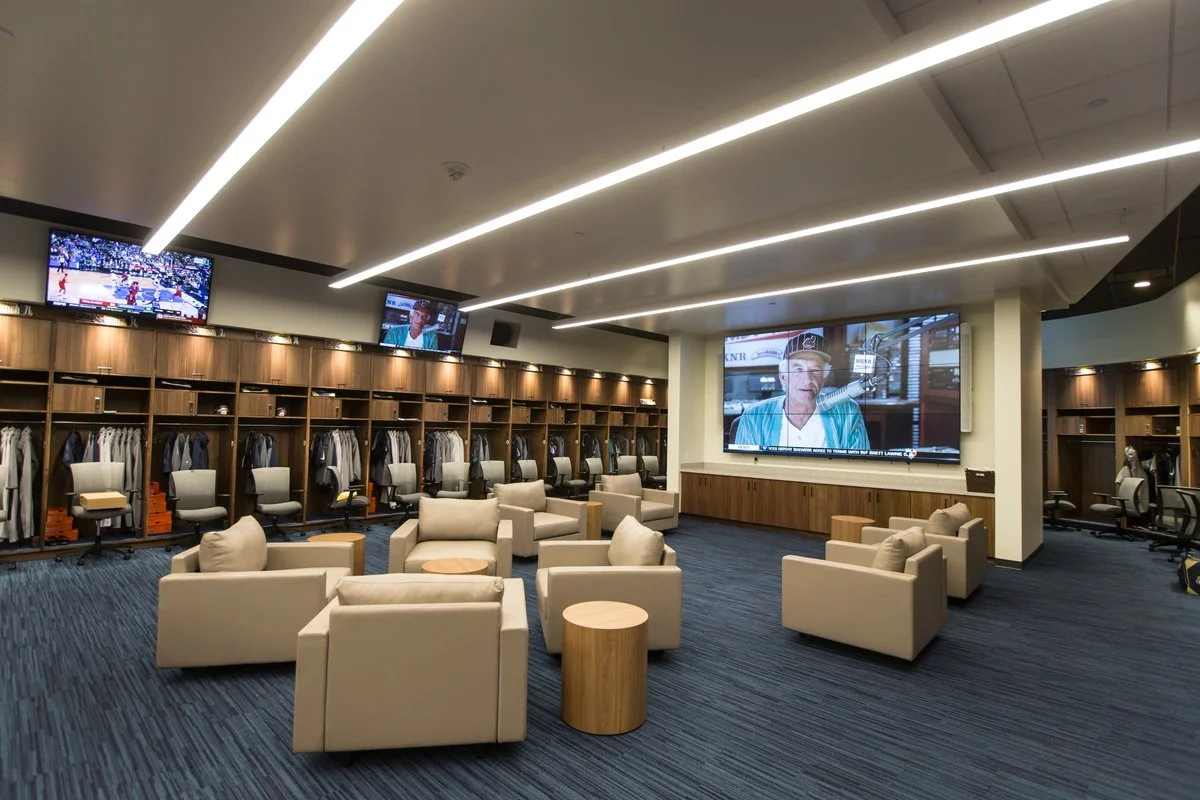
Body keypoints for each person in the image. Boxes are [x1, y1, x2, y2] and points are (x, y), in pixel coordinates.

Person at [732, 330, 870, 450]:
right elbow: (746, 468)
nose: (807, 380)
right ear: (783, 377)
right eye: (798, 369)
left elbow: (858, 466)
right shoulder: (754, 416)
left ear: (824, 378)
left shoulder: (848, 411)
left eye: (815, 370)